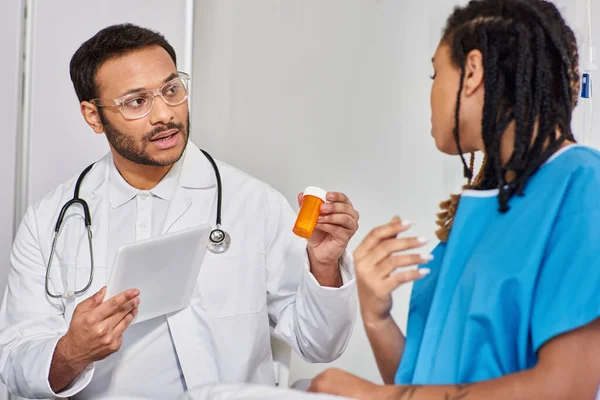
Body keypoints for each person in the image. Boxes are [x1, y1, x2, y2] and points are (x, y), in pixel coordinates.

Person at [0, 24, 360, 399]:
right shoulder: (49, 221)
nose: (165, 115)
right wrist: (70, 353)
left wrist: (324, 266)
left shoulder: (254, 203)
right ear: (93, 116)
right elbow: (14, 362)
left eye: (172, 90)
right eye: (136, 102)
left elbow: (320, 345)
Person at [309, 0, 600, 398]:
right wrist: (377, 316)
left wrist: (376, 396)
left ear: (473, 72)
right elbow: (426, 386)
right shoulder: (480, 208)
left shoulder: (584, 183)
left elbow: (564, 388)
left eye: (435, 73)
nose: (431, 92)